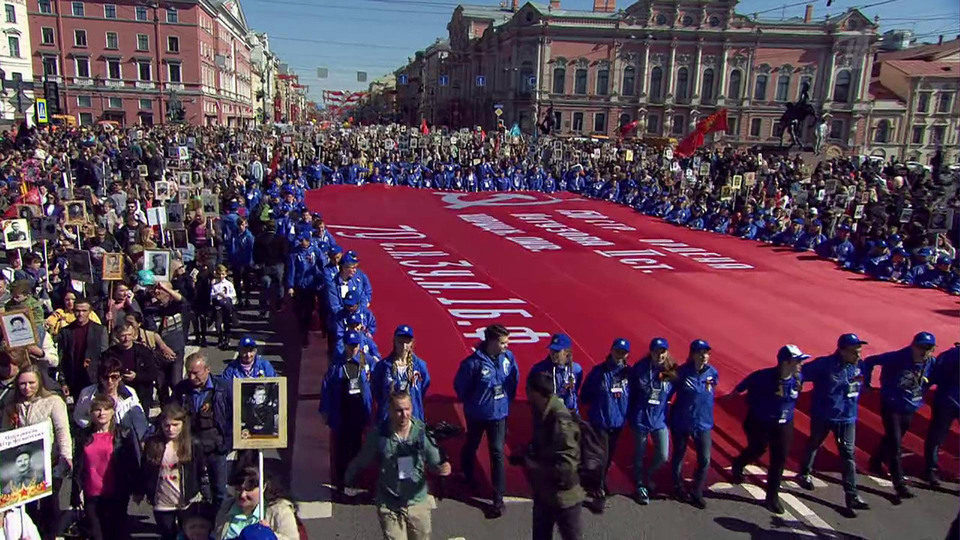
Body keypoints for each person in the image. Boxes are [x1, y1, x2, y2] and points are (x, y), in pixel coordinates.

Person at [345, 391, 451, 540]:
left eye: (407, 409)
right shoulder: (379, 435)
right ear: (390, 410)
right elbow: (363, 459)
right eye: (399, 410)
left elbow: (435, 461)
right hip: (389, 504)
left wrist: (443, 468)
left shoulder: (421, 433)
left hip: (417, 503)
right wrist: (349, 476)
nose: (404, 414)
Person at [796, 333, 871, 517]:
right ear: (842, 351)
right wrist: (795, 388)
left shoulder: (858, 365)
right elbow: (800, 373)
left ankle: (852, 495)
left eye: (859, 352)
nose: (858, 356)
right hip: (824, 415)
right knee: (815, 443)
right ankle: (804, 473)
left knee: (848, 455)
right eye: (854, 352)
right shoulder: (825, 365)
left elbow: (860, 381)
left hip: (847, 417)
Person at [730, 345, 809, 514]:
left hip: (784, 423)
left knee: (779, 459)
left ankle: (771, 497)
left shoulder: (798, 377)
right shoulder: (763, 377)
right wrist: (737, 395)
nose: (801, 364)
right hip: (761, 422)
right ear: (786, 362)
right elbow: (744, 384)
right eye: (798, 361)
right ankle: (738, 463)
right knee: (757, 449)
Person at [453, 324, 519, 518]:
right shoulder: (473, 364)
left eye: (507, 342)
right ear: (491, 342)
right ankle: (467, 473)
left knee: (497, 452)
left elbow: (513, 379)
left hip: (499, 414)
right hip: (477, 414)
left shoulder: (508, 358)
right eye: (502, 342)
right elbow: (461, 387)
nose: (506, 346)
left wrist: (507, 402)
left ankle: (498, 498)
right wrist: (475, 403)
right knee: (472, 443)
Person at [1, 364, 72, 540]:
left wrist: (66, 455)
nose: (27, 388)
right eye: (23, 384)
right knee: (27, 505)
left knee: (51, 504)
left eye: (31, 383)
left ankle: (51, 536)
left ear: (39, 382)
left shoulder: (53, 401)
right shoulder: (12, 405)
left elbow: (62, 430)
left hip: (50, 460)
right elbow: (4, 433)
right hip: (23, 465)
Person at [864, 331, 937, 501]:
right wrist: (866, 383)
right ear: (913, 346)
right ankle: (899, 485)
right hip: (892, 405)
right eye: (921, 347)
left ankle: (875, 461)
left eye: (929, 348)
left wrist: (924, 390)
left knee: (892, 437)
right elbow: (870, 361)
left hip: (910, 406)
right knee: (896, 444)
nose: (924, 352)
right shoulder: (897, 357)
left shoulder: (930, 362)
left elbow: (932, 378)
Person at [520, 370, 584, 540]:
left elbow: (567, 467)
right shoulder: (542, 412)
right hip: (545, 493)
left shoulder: (560, 422)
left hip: (565, 498)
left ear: (535, 392)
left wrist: (534, 466)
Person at [72, 393, 141, 540]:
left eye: (105, 409)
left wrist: (137, 489)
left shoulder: (124, 433)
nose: (101, 413)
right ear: (91, 413)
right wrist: (76, 491)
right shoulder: (83, 435)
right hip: (92, 493)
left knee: (116, 533)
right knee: (97, 535)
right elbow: (78, 465)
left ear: (112, 411)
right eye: (97, 409)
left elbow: (132, 462)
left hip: (117, 492)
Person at [319, 330, 376, 499]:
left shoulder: (367, 362)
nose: (352, 350)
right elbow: (326, 388)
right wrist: (325, 411)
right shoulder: (336, 366)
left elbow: (378, 380)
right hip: (342, 413)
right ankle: (340, 483)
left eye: (355, 346)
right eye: (349, 346)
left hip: (358, 412)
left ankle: (355, 480)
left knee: (357, 448)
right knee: (341, 450)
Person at [137, 403, 206, 540]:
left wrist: (205, 493)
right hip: (162, 500)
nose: (171, 429)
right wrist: (141, 491)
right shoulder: (153, 444)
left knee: (188, 534)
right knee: (168, 534)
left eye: (175, 425)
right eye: (167, 425)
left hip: (186, 500)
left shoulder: (193, 443)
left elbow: (201, 470)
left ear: (183, 424)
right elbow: (145, 471)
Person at [172, 353, 232, 509]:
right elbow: (171, 412)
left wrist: (227, 443)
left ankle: (219, 523)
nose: (192, 377)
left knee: (219, 490)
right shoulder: (182, 389)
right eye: (189, 373)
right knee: (192, 488)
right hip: (191, 446)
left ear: (207, 370)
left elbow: (233, 416)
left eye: (196, 373)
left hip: (216, 447)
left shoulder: (223, 388)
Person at [579, 338, 631, 511]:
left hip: (618, 423)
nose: (619, 355)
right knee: (601, 457)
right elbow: (585, 394)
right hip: (600, 421)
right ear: (611, 350)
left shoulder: (628, 374)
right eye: (617, 351)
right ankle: (597, 491)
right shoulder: (598, 372)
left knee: (608, 458)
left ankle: (597, 481)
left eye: (623, 353)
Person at [669, 339, 717, 510]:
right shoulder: (681, 372)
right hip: (682, 421)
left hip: (703, 423)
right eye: (700, 353)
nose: (704, 356)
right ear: (692, 354)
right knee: (679, 454)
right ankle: (677, 486)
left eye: (706, 353)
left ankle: (697, 491)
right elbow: (667, 391)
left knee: (704, 458)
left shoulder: (712, 373)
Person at [627, 337, 675, 505]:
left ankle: (648, 474)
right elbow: (631, 392)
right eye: (656, 352)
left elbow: (671, 392)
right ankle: (640, 484)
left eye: (662, 352)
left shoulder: (670, 370)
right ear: (651, 352)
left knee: (663, 454)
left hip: (659, 419)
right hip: (640, 417)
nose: (659, 355)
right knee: (639, 454)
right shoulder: (640, 368)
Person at [72, 356, 149, 442]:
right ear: (100, 378)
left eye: (114, 377)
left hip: (124, 440)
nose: (110, 381)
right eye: (106, 377)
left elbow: (140, 420)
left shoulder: (130, 394)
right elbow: (78, 417)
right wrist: (94, 424)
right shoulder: (87, 394)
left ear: (120, 377)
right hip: (96, 438)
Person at [214, 463, 299, 540]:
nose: (243, 494)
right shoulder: (227, 508)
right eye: (239, 489)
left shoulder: (280, 510)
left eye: (249, 489)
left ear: (263, 487)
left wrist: (272, 536)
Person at [371, 325, 430, 424]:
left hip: (413, 419)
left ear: (412, 343)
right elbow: (377, 390)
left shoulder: (420, 366)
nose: (404, 345)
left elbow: (424, 388)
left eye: (407, 341)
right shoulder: (383, 366)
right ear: (394, 341)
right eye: (400, 341)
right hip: (388, 421)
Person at [56, 295, 109, 397]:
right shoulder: (66, 331)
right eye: (77, 311)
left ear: (89, 312)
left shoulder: (100, 330)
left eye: (84, 311)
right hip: (74, 377)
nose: (80, 314)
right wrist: (63, 381)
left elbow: (105, 356)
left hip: (94, 378)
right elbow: (62, 357)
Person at [924, 343, 959, 487]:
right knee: (936, 436)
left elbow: (935, 376)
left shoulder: (948, 355)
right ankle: (930, 470)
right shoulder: (951, 355)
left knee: (937, 437)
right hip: (947, 400)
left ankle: (930, 470)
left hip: (945, 400)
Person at [103, 321, 159, 410]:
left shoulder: (144, 352)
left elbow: (153, 373)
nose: (126, 338)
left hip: (141, 393)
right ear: (117, 336)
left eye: (129, 335)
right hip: (118, 395)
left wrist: (137, 376)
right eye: (123, 335)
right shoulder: (109, 354)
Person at [528, 333, 583, 414]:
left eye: (557, 351)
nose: (553, 354)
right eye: (552, 350)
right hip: (549, 416)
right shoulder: (539, 370)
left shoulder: (576, 370)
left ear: (566, 352)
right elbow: (531, 392)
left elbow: (576, 390)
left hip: (570, 415)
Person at [210, 265, 237, 349]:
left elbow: (233, 294)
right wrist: (217, 294)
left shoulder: (228, 284)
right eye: (219, 274)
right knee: (218, 324)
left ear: (225, 274)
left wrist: (226, 296)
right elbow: (211, 295)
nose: (221, 276)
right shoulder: (214, 284)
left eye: (222, 274)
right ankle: (220, 338)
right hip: (218, 306)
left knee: (227, 323)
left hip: (226, 306)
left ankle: (227, 340)